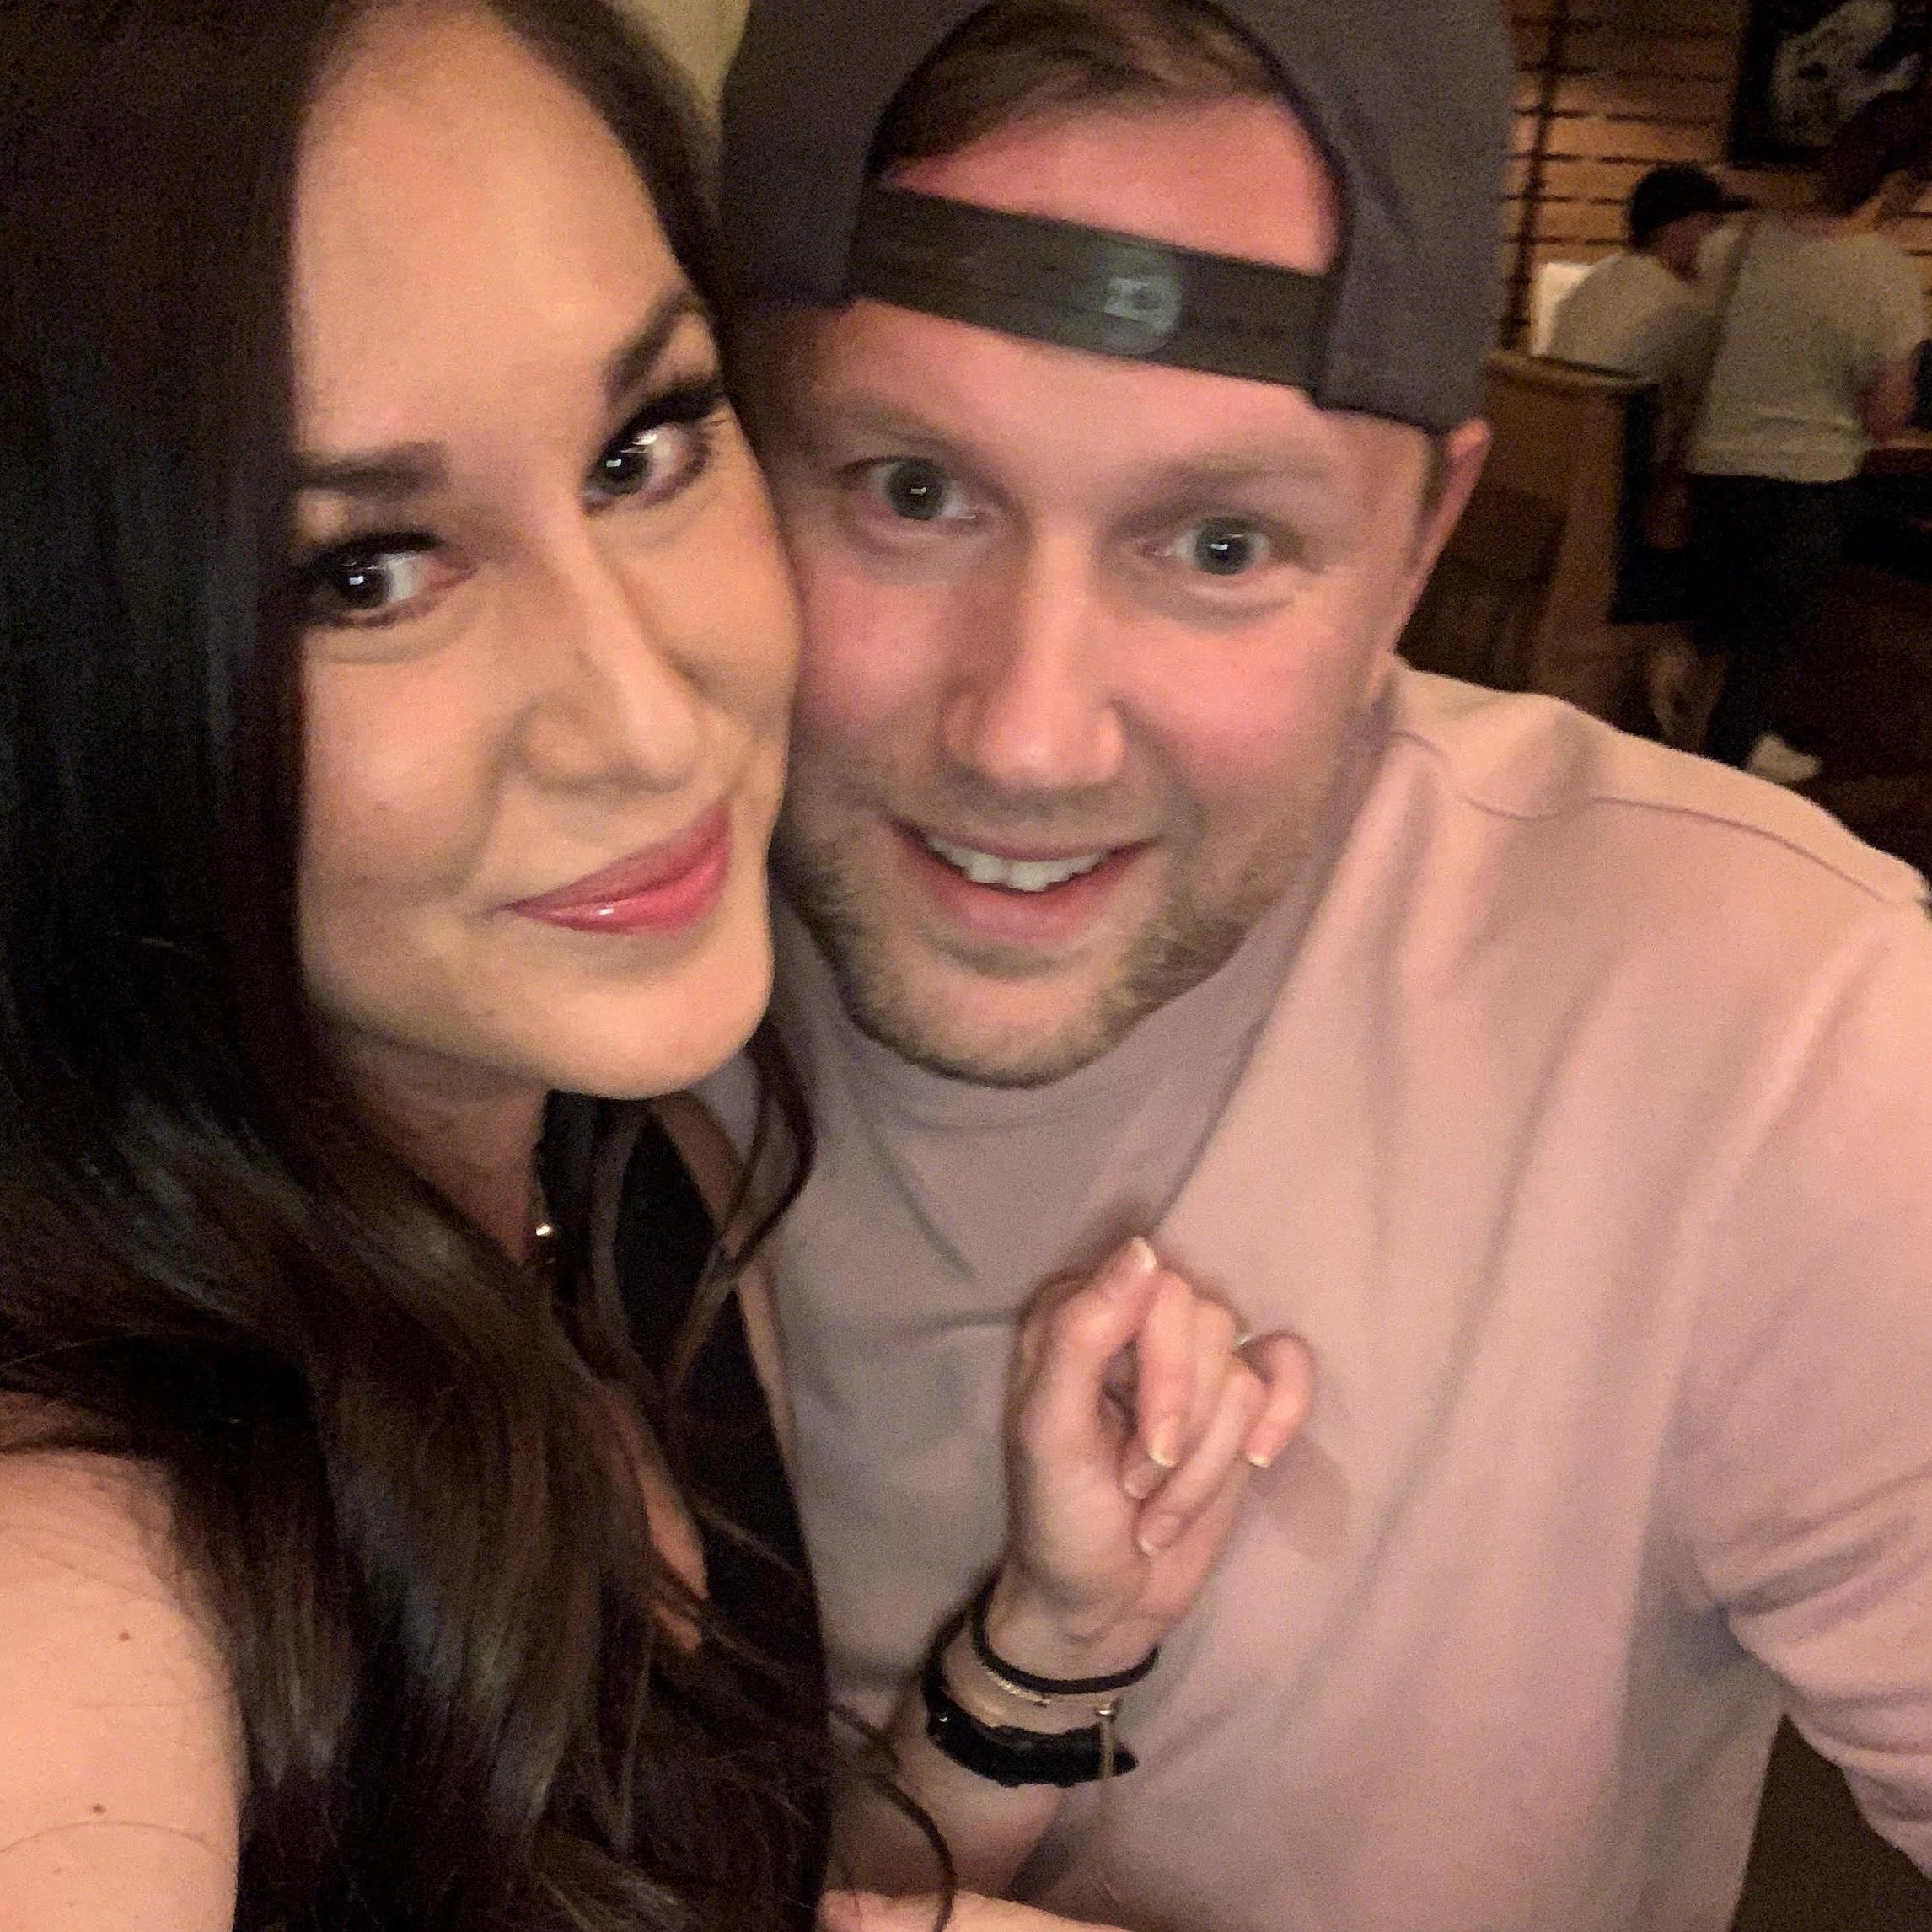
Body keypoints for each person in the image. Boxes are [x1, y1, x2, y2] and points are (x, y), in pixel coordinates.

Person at [0, 2, 1303, 1928]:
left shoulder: (623, 1181)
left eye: (641, 448)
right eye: (365, 571)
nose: (642, 712)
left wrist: (1049, 1643)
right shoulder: (84, 1567)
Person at [702, 2, 1932, 1928]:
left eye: (1217, 543)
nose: (1029, 737)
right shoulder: (516, 984)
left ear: (1415, 545)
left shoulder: (1775, 1043)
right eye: (907, 491)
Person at [1688, 89, 1932, 781]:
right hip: (1804, 487)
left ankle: (1684, 763)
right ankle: (1722, 783)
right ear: (1900, 184)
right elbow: (1884, 416)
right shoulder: (1885, 274)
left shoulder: (1749, 243)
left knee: (1717, 638)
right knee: (1764, 649)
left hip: (1717, 469)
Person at [1548, 164, 1748, 396]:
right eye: (1714, 223)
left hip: (1555, 411)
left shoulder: (1600, 276)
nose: (1722, 236)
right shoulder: (1684, 308)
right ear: (1675, 229)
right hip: (1610, 417)